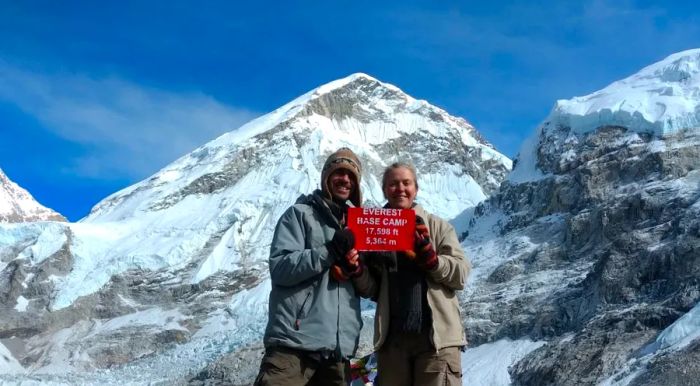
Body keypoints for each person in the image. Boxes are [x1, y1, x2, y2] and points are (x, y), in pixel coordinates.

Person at [254, 147, 366, 386]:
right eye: (339, 172)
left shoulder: (360, 229)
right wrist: (330, 251)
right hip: (293, 350)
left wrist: (356, 270)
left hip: (337, 355)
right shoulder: (299, 215)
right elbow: (281, 267)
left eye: (351, 176)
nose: (345, 179)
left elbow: (370, 288)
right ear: (326, 177)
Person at [354, 162, 471, 386]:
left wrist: (433, 261)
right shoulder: (375, 232)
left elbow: (461, 274)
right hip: (393, 344)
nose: (400, 189)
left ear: (415, 189)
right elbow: (372, 289)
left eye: (406, 183)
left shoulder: (438, 227)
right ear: (385, 190)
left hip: (436, 343)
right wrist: (357, 270)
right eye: (393, 184)